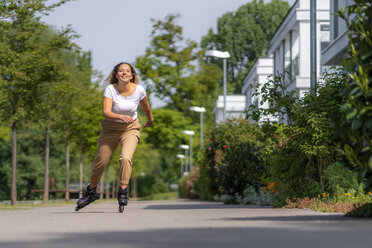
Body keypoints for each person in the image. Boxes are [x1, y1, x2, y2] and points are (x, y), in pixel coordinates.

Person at [75, 62, 153, 213]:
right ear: (116, 75)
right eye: (121, 71)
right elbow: (106, 112)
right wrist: (120, 116)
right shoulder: (110, 89)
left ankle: (122, 191)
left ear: (132, 75)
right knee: (101, 162)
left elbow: (146, 107)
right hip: (110, 128)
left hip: (131, 128)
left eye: (127, 71)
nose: (124, 73)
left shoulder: (139, 90)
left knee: (125, 158)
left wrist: (150, 119)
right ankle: (91, 192)